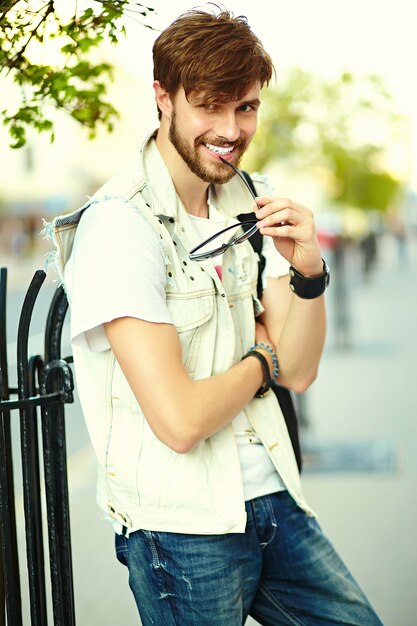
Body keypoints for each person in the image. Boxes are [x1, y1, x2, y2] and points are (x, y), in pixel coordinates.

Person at [46, 7, 383, 625]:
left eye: (246, 107)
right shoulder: (123, 224)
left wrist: (307, 270)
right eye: (210, 105)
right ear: (163, 98)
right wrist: (261, 359)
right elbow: (179, 421)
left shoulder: (252, 201)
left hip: (274, 499)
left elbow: (302, 372)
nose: (231, 129)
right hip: (182, 531)